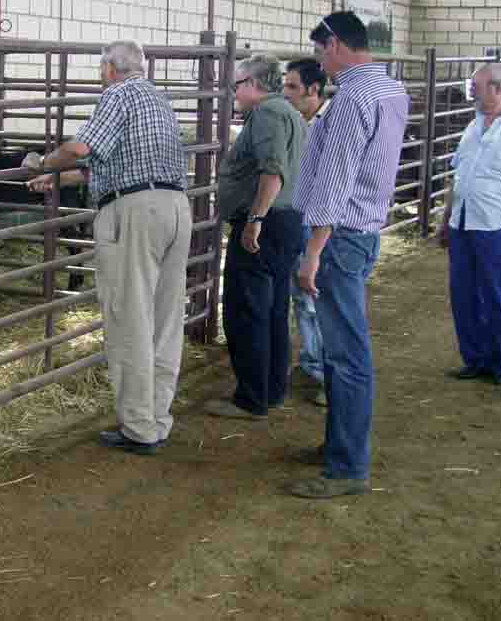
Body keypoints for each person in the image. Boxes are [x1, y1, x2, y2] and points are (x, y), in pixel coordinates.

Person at [27, 40, 192, 455]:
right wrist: (61, 180)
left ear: (108, 69)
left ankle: (139, 427)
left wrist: (43, 163)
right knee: (165, 316)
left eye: (100, 69)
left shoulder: (116, 95)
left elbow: (80, 148)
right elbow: (110, 163)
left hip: (134, 214)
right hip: (175, 208)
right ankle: (157, 417)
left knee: (129, 315)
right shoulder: (158, 98)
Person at [290, 11, 409, 499]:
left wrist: (313, 251)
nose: (321, 60)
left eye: (321, 50)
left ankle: (346, 467)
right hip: (362, 230)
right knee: (345, 349)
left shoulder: (354, 98)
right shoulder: (390, 91)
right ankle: (339, 445)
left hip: (338, 237)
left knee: (344, 352)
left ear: (336, 44)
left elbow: (336, 181)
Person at [205, 55, 306, 421]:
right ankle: (271, 390)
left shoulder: (267, 114)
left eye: (236, 85)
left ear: (253, 84)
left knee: (246, 310)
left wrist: (255, 219)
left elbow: (272, 170)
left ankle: (251, 398)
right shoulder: (290, 112)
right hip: (287, 222)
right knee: (274, 309)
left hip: (267, 223)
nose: (234, 92)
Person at [436, 63, 501, 386]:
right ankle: (476, 358)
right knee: (465, 295)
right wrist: (446, 219)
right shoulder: (473, 125)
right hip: (464, 224)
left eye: (475, 86)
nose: (471, 91)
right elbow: (458, 176)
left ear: (498, 89)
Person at [282, 58, 330, 406]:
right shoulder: (304, 122)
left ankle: (330, 376)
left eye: (292, 87)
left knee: (318, 297)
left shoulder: (328, 126)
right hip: (304, 221)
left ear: (314, 90)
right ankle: (313, 361)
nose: (285, 94)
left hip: (323, 225)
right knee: (303, 295)